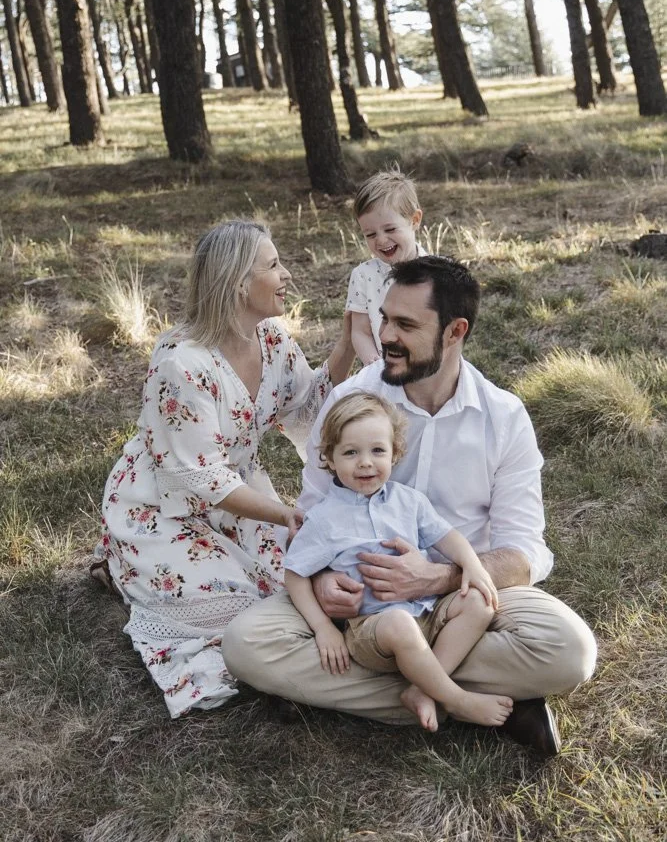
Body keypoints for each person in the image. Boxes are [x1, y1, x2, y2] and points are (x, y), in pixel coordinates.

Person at [224, 255, 598, 754]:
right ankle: (483, 697)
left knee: (571, 651)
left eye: (405, 324)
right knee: (245, 644)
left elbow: (524, 551)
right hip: (362, 608)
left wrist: (438, 577)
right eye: (383, 318)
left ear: (454, 331)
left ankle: (411, 690)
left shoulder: (504, 417)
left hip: (463, 598)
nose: (384, 337)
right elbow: (312, 516)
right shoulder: (350, 402)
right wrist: (320, 581)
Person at [93, 220, 355, 717]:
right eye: (273, 265)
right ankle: (122, 564)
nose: (287, 276)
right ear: (239, 282)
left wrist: (346, 339)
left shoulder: (272, 339)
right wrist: (283, 515)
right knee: (237, 606)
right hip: (164, 505)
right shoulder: (181, 363)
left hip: (241, 493)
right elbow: (201, 479)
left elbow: (309, 408)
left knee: (296, 582)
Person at [283, 392, 514, 731]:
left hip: (426, 611)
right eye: (350, 452)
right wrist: (322, 629)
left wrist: (473, 566)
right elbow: (294, 575)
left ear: (395, 454)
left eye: (378, 451)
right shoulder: (325, 518)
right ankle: (456, 698)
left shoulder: (409, 502)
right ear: (330, 459)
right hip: (374, 629)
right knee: (398, 624)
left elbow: (447, 537)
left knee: (479, 601)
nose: (365, 462)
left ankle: (422, 690)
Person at [346, 168, 426, 365]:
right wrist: (374, 365)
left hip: (429, 368)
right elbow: (360, 331)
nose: (381, 240)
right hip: (386, 369)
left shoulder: (438, 271)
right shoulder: (363, 276)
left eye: (390, 229)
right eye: (370, 234)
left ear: (414, 220)